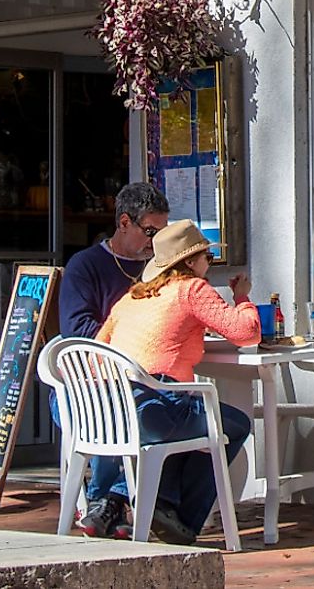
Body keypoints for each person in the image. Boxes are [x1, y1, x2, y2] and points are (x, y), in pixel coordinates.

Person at [96, 219, 259, 546]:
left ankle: (152, 504)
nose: (208, 266)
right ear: (190, 263)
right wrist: (242, 298)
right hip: (155, 409)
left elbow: (96, 352)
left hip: (110, 411)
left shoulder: (131, 298)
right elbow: (246, 333)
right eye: (207, 259)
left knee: (190, 418)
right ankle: (180, 519)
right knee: (232, 424)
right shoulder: (191, 289)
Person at [56, 181, 169, 539]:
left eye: (162, 234)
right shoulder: (85, 266)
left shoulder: (162, 270)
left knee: (184, 410)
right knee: (119, 407)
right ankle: (108, 499)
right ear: (124, 223)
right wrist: (138, 334)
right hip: (86, 387)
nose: (155, 243)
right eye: (150, 232)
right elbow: (77, 330)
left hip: (144, 381)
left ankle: (123, 503)